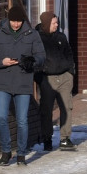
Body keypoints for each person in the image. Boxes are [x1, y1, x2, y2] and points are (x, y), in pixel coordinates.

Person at [0, 5, 46, 166]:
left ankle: (21, 154)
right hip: (3, 82)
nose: (16, 24)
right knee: (1, 117)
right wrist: (1, 62)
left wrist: (32, 61)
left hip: (23, 81)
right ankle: (6, 152)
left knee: (22, 120)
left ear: (23, 20)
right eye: (13, 21)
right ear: (9, 20)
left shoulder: (32, 34)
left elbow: (41, 56)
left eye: (19, 21)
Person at [35, 11, 77, 150]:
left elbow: (69, 54)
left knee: (67, 107)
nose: (57, 25)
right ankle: (47, 138)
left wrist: (71, 72)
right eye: (54, 23)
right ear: (47, 24)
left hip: (65, 77)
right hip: (47, 78)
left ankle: (65, 138)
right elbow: (34, 58)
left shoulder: (61, 37)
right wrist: (39, 76)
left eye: (57, 22)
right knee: (46, 110)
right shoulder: (37, 39)